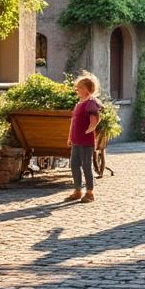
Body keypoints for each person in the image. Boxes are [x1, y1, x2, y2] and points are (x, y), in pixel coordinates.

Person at [64, 71, 102, 203]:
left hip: (86, 141)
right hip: (76, 140)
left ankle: (90, 192)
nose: (77, 90)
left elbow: (95, 118)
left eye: (79, 87)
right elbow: (73, 122)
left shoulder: (91, 102)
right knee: (74, 164)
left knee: (86, 165)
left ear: (86, 89)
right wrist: (70, 137)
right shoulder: (79, 103)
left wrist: (90, 128)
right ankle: (77, 190)